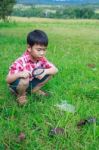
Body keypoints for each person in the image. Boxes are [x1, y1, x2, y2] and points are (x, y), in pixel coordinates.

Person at [6, 29, 58, 105]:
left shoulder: (41, 59)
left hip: (29, 83)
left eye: (44, 50)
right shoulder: (21, 61)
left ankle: (33, 90)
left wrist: (45, 71)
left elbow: (55, 70)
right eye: (39, 50)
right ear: (29, 48)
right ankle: (21, 96)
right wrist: (20, 74)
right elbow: (8, 80)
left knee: (49, 74)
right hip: (18, 85)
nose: (42, 53)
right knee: (25, 79)